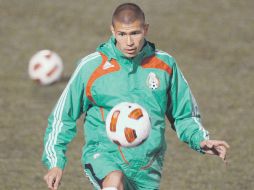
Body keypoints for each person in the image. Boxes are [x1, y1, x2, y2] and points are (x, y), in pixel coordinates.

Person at [42, 3, 229, 190]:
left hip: (148, 167)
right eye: (122, 34)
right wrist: (56, 162)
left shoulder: (165, 65)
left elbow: (184, 115)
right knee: (114, 181)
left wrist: (201, 140)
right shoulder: (91, 67)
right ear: (113, 31)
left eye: (135, 33)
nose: (129, 42)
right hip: (103, 155)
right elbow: (62, 117)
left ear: (145, 29)